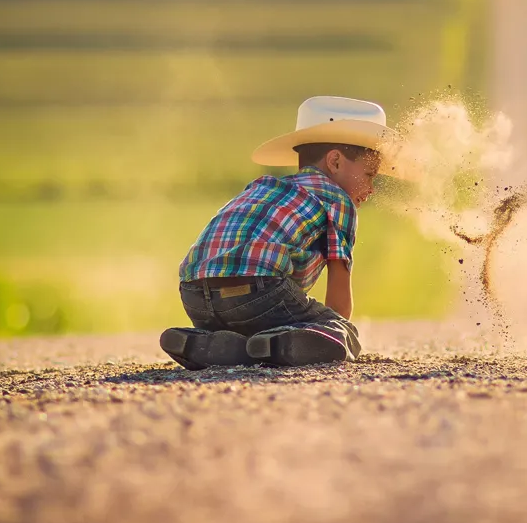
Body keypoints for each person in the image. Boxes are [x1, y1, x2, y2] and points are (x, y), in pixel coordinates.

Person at [159, 96, 393, 369]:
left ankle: (213, 344)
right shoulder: (337, 200)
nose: (371, 188)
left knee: (256, 328)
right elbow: (339, 288)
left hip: (194, 294)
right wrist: (338, 329)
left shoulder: (265, 185)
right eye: (369, 175)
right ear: (336, 162)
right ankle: (279, 345)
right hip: (260, 291)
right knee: (340, 332)